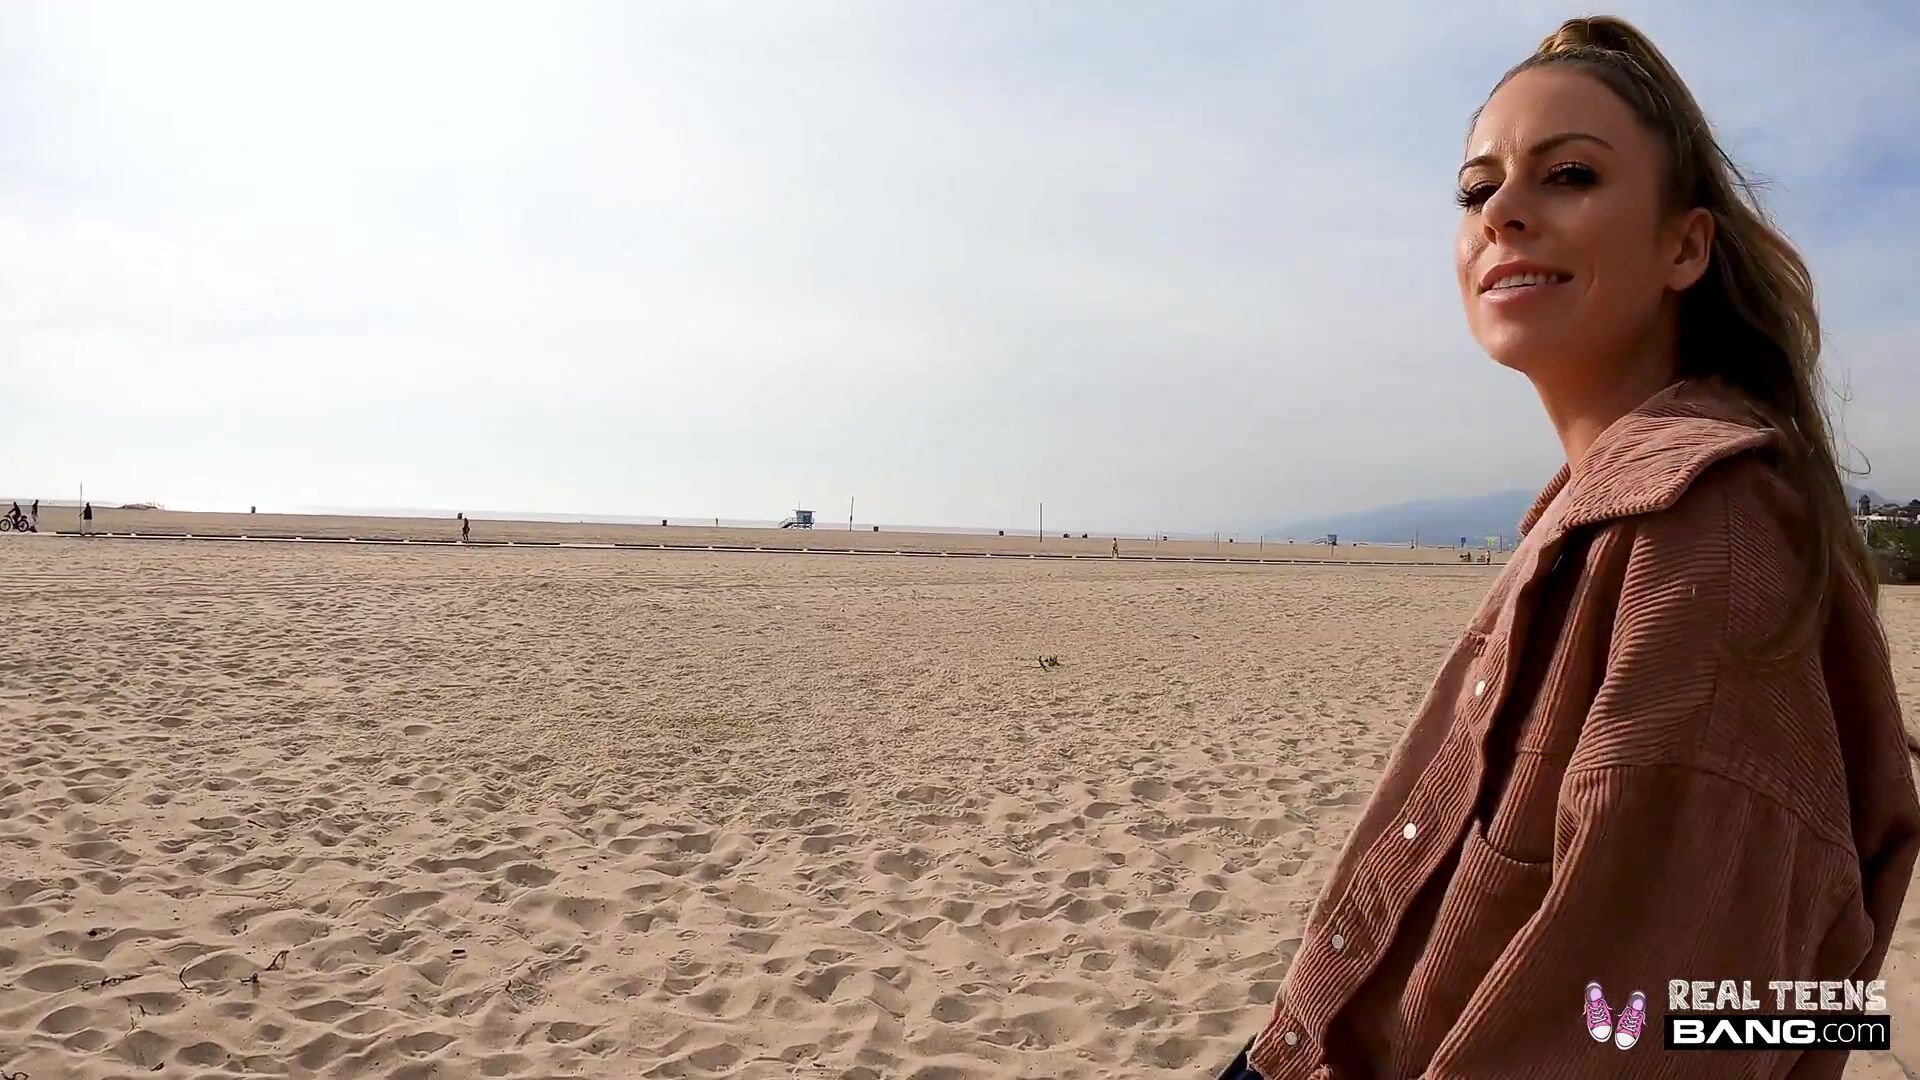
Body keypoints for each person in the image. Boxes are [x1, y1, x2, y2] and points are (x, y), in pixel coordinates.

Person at [1218, 17, 1920, 1079]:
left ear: (1684, 247)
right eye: (1476, 189)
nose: (1502, 211)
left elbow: (1663, 1025)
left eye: (1570, 175)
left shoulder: (1707, 537)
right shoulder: (1602, 512)